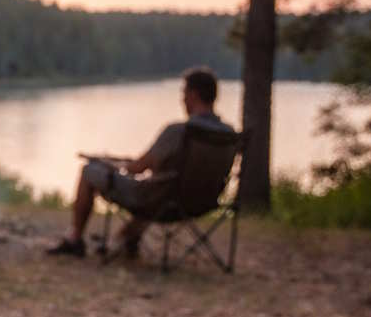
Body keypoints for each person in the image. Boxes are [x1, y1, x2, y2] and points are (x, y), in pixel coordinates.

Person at [46, 66, 235, 258]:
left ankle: (74, 239)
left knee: (89, 171)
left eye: (183, 93)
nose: (182, 99)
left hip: (162, 202)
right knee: (159, 183)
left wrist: (109, 163)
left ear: (193, 95)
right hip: (203, 203)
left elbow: (138, 168)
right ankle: (125, 239)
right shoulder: (229, 134)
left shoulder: (180, 131)